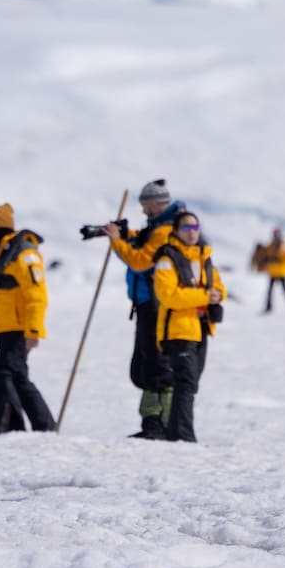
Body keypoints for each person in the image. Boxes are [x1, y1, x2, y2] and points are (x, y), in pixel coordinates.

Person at [103, 179, 186, 440]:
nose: (142, 210)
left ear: (153, 203)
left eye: (144, 204)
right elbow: (142, 242)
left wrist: (117, 242)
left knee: (157, 364)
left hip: (155, 303)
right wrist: (124, 234)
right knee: (146, 364)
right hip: (146, 303)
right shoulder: (158, 228)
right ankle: (154, 421)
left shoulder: (164, 231)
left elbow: (140, 261)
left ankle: (160, 423)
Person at [0, 203, 56, 435]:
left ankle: (6, 427)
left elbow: (36, 294)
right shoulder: (2, 254)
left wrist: (34, 330)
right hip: (3, 327)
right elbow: (2, 291)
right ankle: (36, 426)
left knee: (3, 374)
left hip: (18, 327)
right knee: (16, 377)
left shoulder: (24, 253)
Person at [152, 210, 226, 442]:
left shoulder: (203, 258)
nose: (192, 232)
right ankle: (183, 435)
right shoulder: (167, 260)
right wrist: (205, 296)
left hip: (200, 328)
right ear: (176, 230)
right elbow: (169, 296)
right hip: (178, 329)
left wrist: (216, 295)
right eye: (186, 227)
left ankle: (176, 432)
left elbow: (218, 285)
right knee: (186, 381)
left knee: (189, 384)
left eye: (195, 228)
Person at [259, 227, 285, 313]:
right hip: (273, 271)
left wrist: (278, 259)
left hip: (281, 272)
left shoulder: (282, 244)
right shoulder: (272, 245)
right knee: (270, 291)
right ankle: (269, 307)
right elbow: (267, 254)